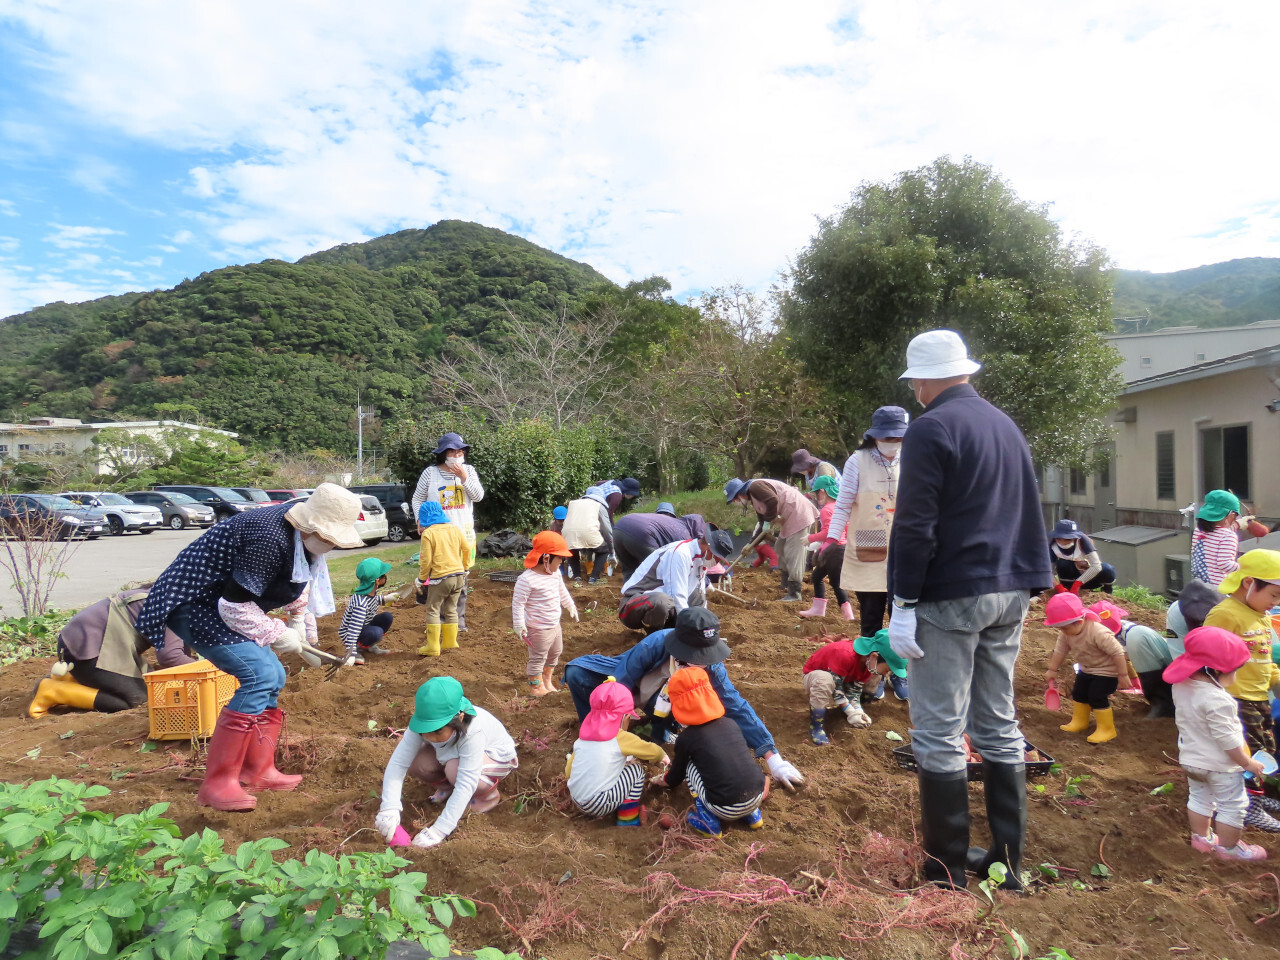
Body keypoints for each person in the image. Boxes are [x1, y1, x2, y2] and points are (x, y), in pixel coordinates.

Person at [885, 329, 1051, 890]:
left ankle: (946, 869)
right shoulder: (1003, 424)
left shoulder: (931, 428)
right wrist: (1033, 579)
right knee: (997, 723)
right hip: (1010, 587)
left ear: (924, 380)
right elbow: (1027, 504)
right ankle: (1008, 864)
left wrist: (903, 601)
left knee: (937, 729)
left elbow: (913, 524)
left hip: (952, 591)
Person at [137, 482, 364, 812]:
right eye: (328, 537)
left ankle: (258, 769)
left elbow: (300, 579)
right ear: (310, 524)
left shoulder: (303, 541)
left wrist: (299, 625)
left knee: (274, 674)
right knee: (258, 674)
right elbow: (233, 606)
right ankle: (217, 783)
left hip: (226, 602)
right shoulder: (269, 538)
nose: (330, 544)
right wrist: (276, 632)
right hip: (196, 602)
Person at [563, 607, 805, 790]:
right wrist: (612, 746)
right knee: (577, 673)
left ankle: (664, 731)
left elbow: (736, 706)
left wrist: (773, 758)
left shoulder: (713, 667)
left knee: (692, 710)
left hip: (664, 702)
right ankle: (594, 738)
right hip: (636, 688)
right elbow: (619, 686)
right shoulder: (655, 644)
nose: (703, 661)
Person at [374, 676, 518, 849]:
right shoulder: (423, 723)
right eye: (425, 730)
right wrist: (389, 807)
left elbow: (467, 781)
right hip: (452, 756)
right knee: (418, 761)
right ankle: (448, 788)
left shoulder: (473, 730)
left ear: (459, 718)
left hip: (496, 759)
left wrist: (439, 830)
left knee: (455, 771)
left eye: (437, 731)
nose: (429, 736)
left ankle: (488, 795)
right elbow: (399, 763)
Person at [1165, 626, 1268, 861]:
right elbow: (1228, 741)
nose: (1235, 677)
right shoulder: (1219, 700)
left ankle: (1201, 840)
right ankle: (1230, 850)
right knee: (1233, 805)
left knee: (1200, 798)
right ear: (1215, 671)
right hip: (1220, 767)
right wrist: (1247, 763)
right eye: (1235, 671)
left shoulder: (1180, 685)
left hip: (1192, 761)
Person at [29, 587, 195, 718]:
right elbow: (170, 657)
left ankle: (72, 679)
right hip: (89, 650)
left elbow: (181, 651)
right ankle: (54, 691)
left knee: (152, 686)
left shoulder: (174, 595)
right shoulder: (175, 605)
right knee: (139, 701)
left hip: (83, 642)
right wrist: (215, 667)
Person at [826, 405, 910, 645]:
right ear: (874, 435)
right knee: (871, 616)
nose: (893, 441)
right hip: (870, 542)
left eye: (898, 437)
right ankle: (872, 673)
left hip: (905, 544)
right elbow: (843, 504)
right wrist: (832, 539)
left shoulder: (914, 458)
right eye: (888, 437)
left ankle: (899, 671)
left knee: (902, 618)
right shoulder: (857, 461)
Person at [650, 665, 767, 837]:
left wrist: (663, 779)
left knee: (690, 766)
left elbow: (676, 776)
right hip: (756, 796)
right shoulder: (730, 724)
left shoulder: (687, 738)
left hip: (723, 807)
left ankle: (708, 821)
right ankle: (752, 816)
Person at [566, 678, 669, 826]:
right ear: (623, 717)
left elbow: (569, 771)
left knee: (619, 770)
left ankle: (603, 811)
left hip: (577, 800)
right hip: (598, 803)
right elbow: (649, 750)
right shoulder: (619, 737)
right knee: (635, 771)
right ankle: (628, 819)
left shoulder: (582, 739)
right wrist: (662, 755)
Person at [411, 432, 484, 629]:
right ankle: (439, 620)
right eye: (452, 451)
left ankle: (457, 623)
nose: (457, 454)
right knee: (439, 577)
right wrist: (420, 518)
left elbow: (478, 497)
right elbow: (418, 499)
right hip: (438, 535)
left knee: (461, 577)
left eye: (460, 451)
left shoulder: (469, 471)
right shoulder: (430, 473)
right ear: (444, 453)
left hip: (463, 534)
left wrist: (464, 478)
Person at [1043, 593, 1127, 744]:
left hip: (1107, 672)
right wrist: (1052, 669)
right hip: (1087, 669)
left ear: (1079, 621)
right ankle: (1080, 721)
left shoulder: (1097, 632)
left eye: (1065, 628)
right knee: (1079, 693)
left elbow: (1118, 652)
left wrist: (1123, 675)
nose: (1063, 632)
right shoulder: (1066, 633)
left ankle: (1107, 729)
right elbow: (1060, 651)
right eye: (1060, 628)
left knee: (1096, 696)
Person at [617, 528, 735, 632]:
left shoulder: (701, 560)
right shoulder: (681, 554)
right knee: (663, 601)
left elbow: (700, 598)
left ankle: (672, 632)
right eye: (717, 559)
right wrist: (689, 628)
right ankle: (654, 637)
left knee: (698, 595)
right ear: (709, 550)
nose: (717, 563)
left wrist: (704, 627)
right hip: (633, 604)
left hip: (666, 603)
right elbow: (677, 596)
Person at [725, 476, 820, 603]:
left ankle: (795, 592)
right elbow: (761, 526)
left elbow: (772, 500)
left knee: (794, 553)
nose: (736, 502)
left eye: (735, 499)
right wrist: (750, 544)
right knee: (780, 548)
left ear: (739, 493)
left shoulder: (755, 487)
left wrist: (769, 520)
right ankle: (785, 583)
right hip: (789, 517)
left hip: (798, 513)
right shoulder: (754, 499)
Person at [1091, 595, 1186, 719]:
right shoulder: (1097, 637)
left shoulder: (1134, 634)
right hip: (1168, 670)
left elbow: (1122, 657)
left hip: (1174, 666)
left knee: (1136, 638)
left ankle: (1164, 704)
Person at [801, 631, 904, 744]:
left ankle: (845, 712)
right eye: (887, 669)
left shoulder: (869, 663)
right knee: (825, 680)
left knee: (875, 676)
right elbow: (836, 687)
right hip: (816, 676)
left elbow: (854, 690)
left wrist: (858, 711)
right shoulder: (845, 654)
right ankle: (816, 726)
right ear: (874, 656)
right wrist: (850, 711)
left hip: (844, 678)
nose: (886, 674)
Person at [512, 531, 579, 696]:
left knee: (556, 651)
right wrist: (519, 625)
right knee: (538, 656)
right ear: (546, 558)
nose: (562, 562)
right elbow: (518, 604)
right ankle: (536, 686)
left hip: (554, 624)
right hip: (538, 628)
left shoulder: (555, 574)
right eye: (560, 559)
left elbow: (562, 591)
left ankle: (546, 679)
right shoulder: (526, 580)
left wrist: (570, 606)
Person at [415, 501, 470, 657]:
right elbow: (467, 549)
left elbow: (427, 560)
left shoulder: (428, 533)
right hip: (459, 576)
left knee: (433, 608)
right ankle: (450, 643)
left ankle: (432, 646)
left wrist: (421, 578)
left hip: (441, 577)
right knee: (451, 608)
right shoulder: (454, 529)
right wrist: (465, 568)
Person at [799, 475, 851, 621]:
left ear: (823, 491)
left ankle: (848, 615)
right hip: (838, 548)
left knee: (836, 583)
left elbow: (829, 531)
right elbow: (843, 528)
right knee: (817, 577)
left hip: (834, 551)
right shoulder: (839, 508)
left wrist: (811, 538)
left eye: (816, 493)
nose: (816, 496)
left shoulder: (826, 510)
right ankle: (818, 609)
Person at [612, 508, 707, 578]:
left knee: (630, 569)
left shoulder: (674, 523)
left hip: (618, 528)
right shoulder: (684, 535)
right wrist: (705, 581)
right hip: (642, 534)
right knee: (659, 570)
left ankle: (629, 599)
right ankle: (648, 600)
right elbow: (685, 565)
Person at [340, 558, 399, 664]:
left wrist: (386, 599)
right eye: (383, 575)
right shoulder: (360, 606)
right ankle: (357, 649)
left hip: (364, 626)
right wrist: (351, 654)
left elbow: (372, 600)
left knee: (387, 617)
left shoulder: (368, 593)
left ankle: (369, 646)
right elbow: (352, 632)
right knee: (376, 632)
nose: (385, 577)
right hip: (351, 633)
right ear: (377, 581)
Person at [1048, 519, 1116, 594]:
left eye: (1067, 539)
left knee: (1108, 569)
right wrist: (1057, 586)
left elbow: (1096, 566)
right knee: (1063, 563)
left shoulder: (1083, 541)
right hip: (1069, 578)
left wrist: (1078, 583)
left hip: (1089, 577)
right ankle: (1067, 590)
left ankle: (1107, 591)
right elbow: (1048, 570)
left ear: (1075, 538)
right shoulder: (1053, 545)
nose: (1063, 542)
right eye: (1059, 538)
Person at [562, 486, 613, 584]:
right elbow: (606, 528)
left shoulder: (573, 503)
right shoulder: (599, 505)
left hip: (568, 532)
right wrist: (612, 549)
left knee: (572, 549)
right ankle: (593, 577)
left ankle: (577, 576)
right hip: (588, 532)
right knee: (603, 551)